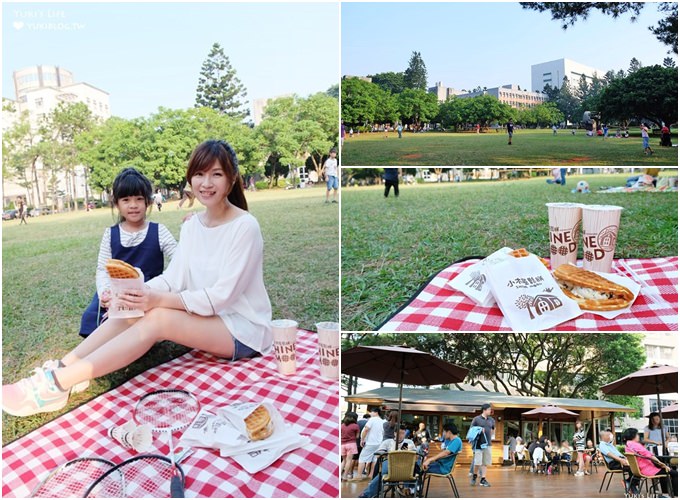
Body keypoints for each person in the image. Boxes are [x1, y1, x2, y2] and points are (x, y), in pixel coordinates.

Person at [2, 139, 273, 417]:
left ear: (232, 179)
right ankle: (64, 368)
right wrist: (135, 293)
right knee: (132, 308)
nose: (206, 182)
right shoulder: (193, 226)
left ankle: (54, 386)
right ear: (190, 177)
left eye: (216, 174)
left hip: (242, 330)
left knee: (158, 318)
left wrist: (156, 299)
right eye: (199, 174)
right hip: (208, 321)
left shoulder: (244, 227)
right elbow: (173, 278)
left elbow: (220, 297)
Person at [79, 168, 177, 339]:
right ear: (117, 204)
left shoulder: (159, 231)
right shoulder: (110, 234)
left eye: (139, 199)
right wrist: (106, 293)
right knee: (92, 317)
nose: (133, 205)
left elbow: (179, 260)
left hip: (147, 292)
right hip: (116, 291)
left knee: (148, 319)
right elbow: (102, 269)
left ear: (148, 202)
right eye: (126, 200)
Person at [358, 428, 417, 498]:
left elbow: (416, 455)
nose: (401, 435)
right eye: (399, 433)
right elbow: (378, 454)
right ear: (395, 433)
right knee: (384, 472)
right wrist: (388, 453)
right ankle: (367, 494)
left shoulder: (409, 442)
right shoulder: (388, 442)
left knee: (383, 474)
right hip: (389, 462)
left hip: (405, 464)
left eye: (403, 433)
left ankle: (409, 489)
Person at [624, 427, 677, 496]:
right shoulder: (635, 445)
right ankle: (676, 495)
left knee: (664, 471)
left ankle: (665, 493)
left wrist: (661, 465)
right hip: (647, 469)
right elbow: (649, 455)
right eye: (637, 434)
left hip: (640, 469)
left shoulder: (628, 445)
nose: (638, 436)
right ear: (633, 435)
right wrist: (661, 464)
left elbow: (646, 455)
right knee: (675, 473)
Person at [598, 429, 639, 494]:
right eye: (608, 435)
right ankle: (632, 485)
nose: (610, 436)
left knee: (638, 465)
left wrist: (625, 458)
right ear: (603, 437)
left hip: (619, 461)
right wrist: (620, 460)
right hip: (614, 463)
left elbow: (619, 454)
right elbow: (609, 454)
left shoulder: (610, 445)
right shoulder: (602, 444)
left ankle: (629, 482)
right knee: (634, 468)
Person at [470, 403, 495, 487]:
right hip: (478, 444)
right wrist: (479, 430)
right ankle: (474, 476)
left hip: (488, 444)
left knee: (485, 463)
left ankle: (483, 479)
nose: (490, 411)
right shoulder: (476, 419)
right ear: (484, 410)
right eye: (489, 409)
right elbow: (471, 430)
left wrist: (489, 437)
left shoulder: (491, 420)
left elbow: (492, 429)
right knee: (477, 462)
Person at [356, 408, 385, 480]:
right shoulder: (383, 421)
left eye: (371, 412)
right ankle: (371, 475)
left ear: (376, 412)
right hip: (379, 443)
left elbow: (366, 429)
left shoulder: (372, 419)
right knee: (374, 459)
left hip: (370, 442)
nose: (370, 414)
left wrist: (362, 439)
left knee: (362, 458)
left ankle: (359, 476)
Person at [342, 414, 361, 481]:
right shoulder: (356, 426)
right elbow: (357, 437)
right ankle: (344, 476)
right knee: (349, 460)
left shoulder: (342, 425)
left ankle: (339, 474)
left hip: (342, 444)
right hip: (351, 444)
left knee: (344, 461)